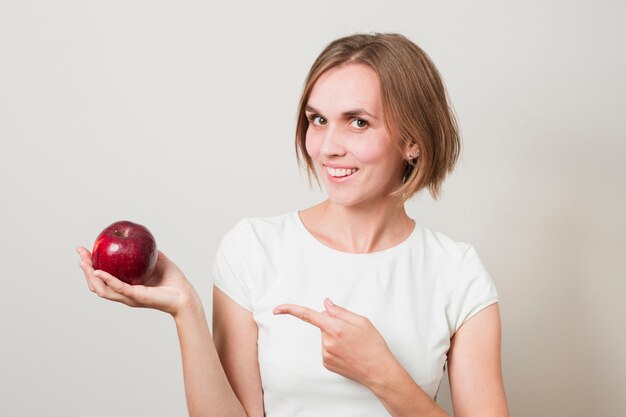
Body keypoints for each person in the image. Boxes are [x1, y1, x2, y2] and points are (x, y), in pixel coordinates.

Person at [78, 33, 510, 417]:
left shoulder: (458, 274)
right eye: (317, 120)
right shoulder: (253, 249)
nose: (328, 147)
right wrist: (185, 309)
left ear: (413, 141)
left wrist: (384, 375)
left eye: (358, 122)